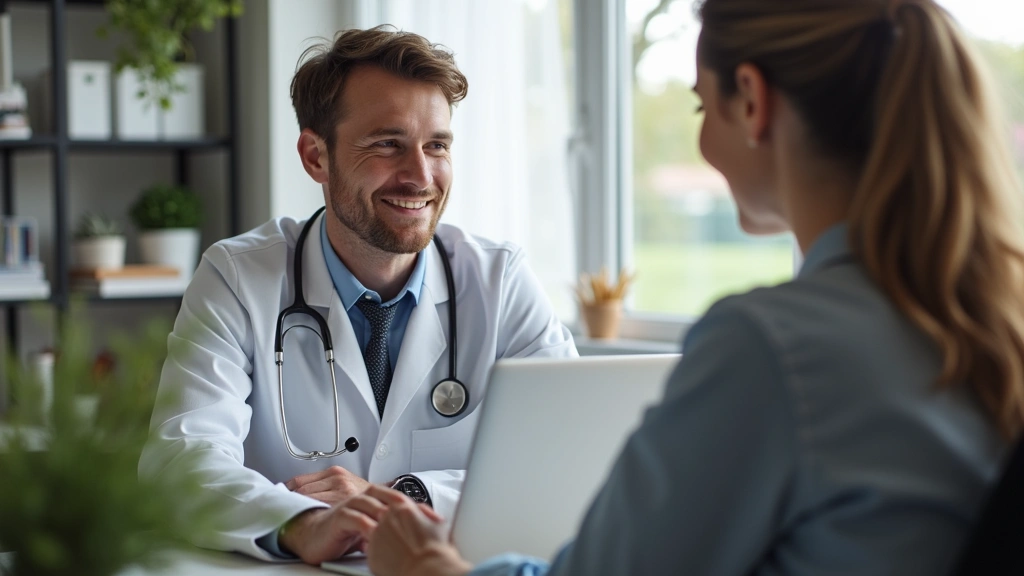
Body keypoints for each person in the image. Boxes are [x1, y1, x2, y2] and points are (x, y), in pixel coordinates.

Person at [345, 0, 1024, 574]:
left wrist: (432, 571)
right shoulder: (990, 313)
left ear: (752, 102)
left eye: (702, 104)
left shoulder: (773, 347)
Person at [138, 26, 576, 564]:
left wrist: (398, 500)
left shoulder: (500, 281)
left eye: (436, 145)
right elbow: (179, 461)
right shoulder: (237, 276)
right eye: (387, 144)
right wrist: (302, 523)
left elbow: (567, 462)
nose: (420, 176)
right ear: (316, 156)